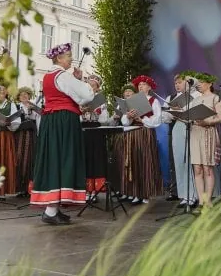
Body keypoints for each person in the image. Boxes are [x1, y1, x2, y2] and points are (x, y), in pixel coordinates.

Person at [30, 43, 95, 225]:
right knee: (64, 158)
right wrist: (82, 81)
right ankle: (51, 211)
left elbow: (75, 98)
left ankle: (53, 209)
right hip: (63, 121)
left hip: (52, 121)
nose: (70, 59)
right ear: (58, 59)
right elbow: (87, 95)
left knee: (55, 160)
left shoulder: (49, 76)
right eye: (68, 56)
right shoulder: (63, 76)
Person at [119, 75, 163, 204]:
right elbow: (124, 122)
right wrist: (128, 116)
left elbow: (157, 120)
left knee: (145, 162)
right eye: (139, 85)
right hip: (133, 133)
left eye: (143, 84)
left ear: (149, 87)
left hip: (145, 133)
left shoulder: (153, 101)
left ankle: (145, 193)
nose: (140, 86)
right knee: (134, 162)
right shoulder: (131, 101)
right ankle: (134, 192)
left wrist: (142, 119)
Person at [161, 72, 198, 207]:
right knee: (179, 161)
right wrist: (173, 112)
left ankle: (193, 195)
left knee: (190, 161)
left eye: (180, 82)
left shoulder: (195, 95)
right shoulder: (171, 97)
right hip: (177, 127)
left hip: (191, 128)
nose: (177, 85)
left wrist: (182, 109)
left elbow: (197, 112)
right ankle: (183, 195)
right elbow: (164, 117)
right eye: (175, 83)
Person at [189, 72, 221, 207]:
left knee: (207, 168)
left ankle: (208, 199)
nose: (199, 85)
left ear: (209, 83)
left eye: (202, 82)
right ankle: (201, 199)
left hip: (208, 132)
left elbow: (220, 118)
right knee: (197, 168)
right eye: (198, 83)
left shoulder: (215, 98)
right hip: (195, 132)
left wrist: (207, 122)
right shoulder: (195, 100)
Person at [82, 74, 110, 202]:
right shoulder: (81, 99)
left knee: (95, 160)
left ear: (98, 88)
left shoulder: (101, 100)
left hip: (96, 132)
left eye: (93, 86)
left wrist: (96, 113)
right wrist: (81, 112)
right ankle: (84, 191)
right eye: (89, 85)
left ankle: (94, 191)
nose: (91, 87)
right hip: (84, 131)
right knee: (84, 160)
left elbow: (105, 120)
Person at [15, 86, 39, 197]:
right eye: (22, 95)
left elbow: (38, 120)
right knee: (19, 159)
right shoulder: (16, 107)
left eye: (26, 94)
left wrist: (32, 109)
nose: (24, 96)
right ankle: (19, 188)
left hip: (31, 135)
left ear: (29, 95)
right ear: (19, 97)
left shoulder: (34, 106)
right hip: (20, 136)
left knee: (31, 159)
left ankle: (30, 188)